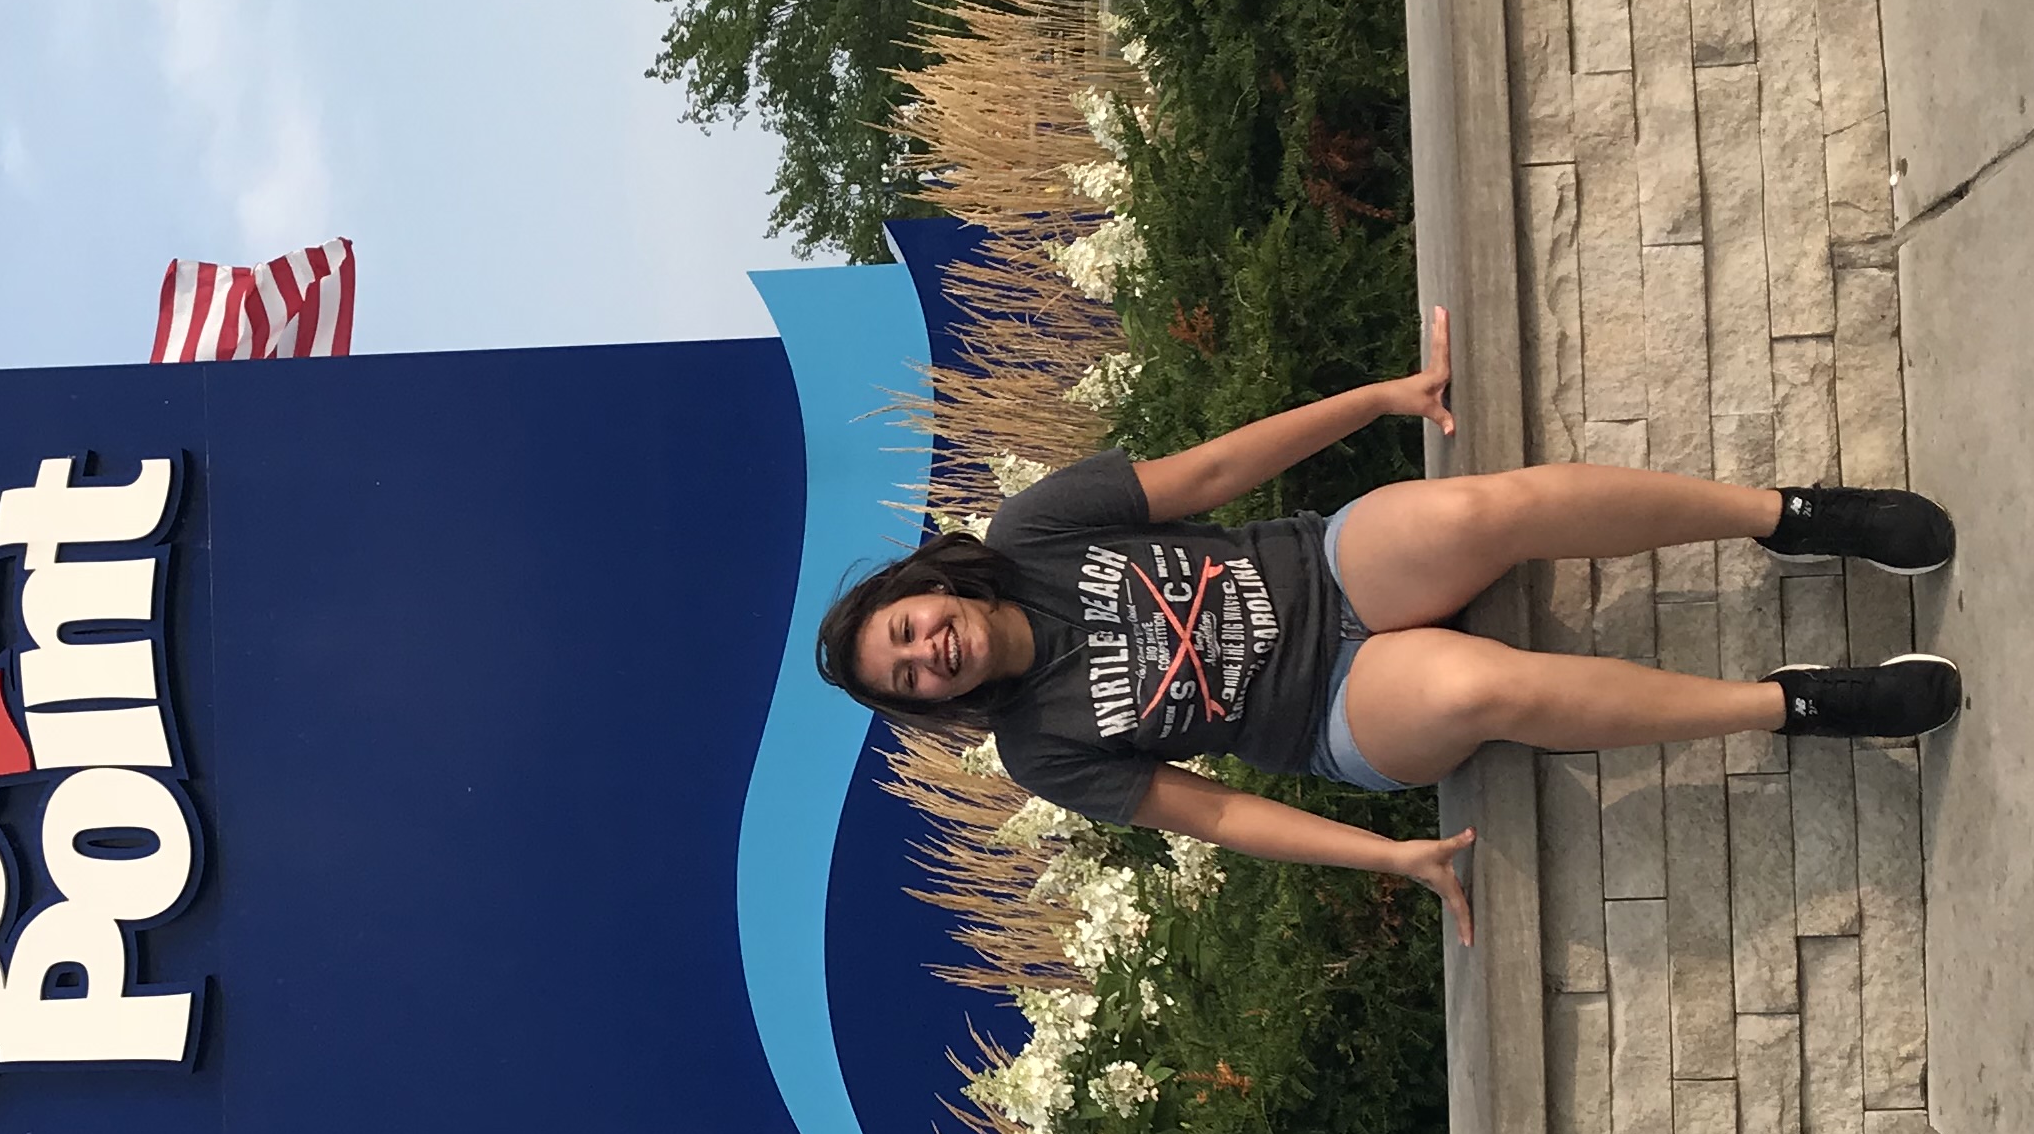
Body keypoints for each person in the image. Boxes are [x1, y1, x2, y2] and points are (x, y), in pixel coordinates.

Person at [814, 312, 1960, 946]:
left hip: (1322, 564)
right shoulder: (1040, 750)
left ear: (929, 588)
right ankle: (1801, 702)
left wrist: (1380, 397)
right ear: (932, 703)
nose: (927, 651)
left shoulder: (1036, 527)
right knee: (1472, 692)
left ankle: (1792, 517)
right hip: (1332, 711)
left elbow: (1212, 468)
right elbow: (1213, 811)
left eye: (908, 629)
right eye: (909, 676)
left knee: (1483, 509)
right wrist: (1390, 857)